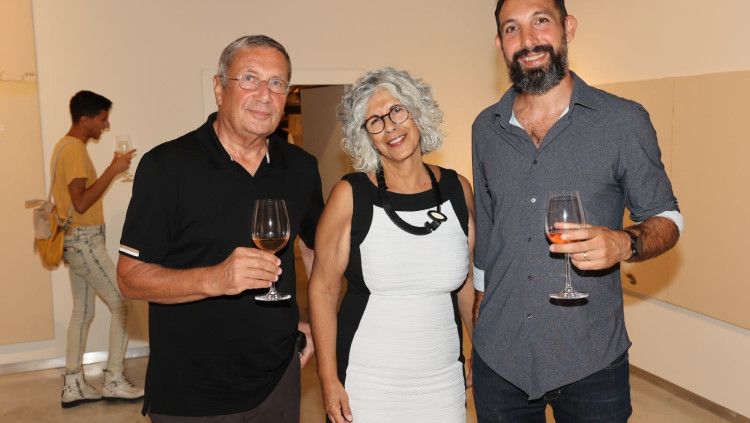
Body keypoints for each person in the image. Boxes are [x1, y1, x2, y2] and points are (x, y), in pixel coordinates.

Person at [471, 0, 683, 421]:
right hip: (500, 356)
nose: (528, 39)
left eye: (541, 21)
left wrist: (626, 242)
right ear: (499, 44)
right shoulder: (485, 128)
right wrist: (479, 318)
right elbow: (488, 230)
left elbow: (669, 219)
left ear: (568, 28)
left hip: (592, 360)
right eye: (512, 28)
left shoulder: (622, 121)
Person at [116, 35, 324, 422]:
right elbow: (129, 279)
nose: (264, 95)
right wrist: (216, 279)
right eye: (249, 79)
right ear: (218, 88)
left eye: (277, 83)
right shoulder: (166, 167)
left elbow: (315, 250)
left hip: (278, 380)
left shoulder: (301, 167)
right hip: (192, 393)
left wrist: (320, 326)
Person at [308, 67, 476, 423]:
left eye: (397, 110)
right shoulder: (349, 196)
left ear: (417, 112)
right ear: (365, 135)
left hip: (443, 382)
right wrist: (328, 379)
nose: (390, 127)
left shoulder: (458, 190)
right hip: (367, 384)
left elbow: (467, 283)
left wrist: (482, 349)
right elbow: (323, 290)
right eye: (375, 121)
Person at [52, 90, 143, 408]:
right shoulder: (74, 150)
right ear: (85, 119)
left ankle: (73, 384)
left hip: (75, 240)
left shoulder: (64, 146)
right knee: (123, 302)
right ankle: (114, 381)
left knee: (83, 311)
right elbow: (81, 202)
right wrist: (113, 170)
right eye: (103, 119)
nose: (106, 125)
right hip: (85, 240)